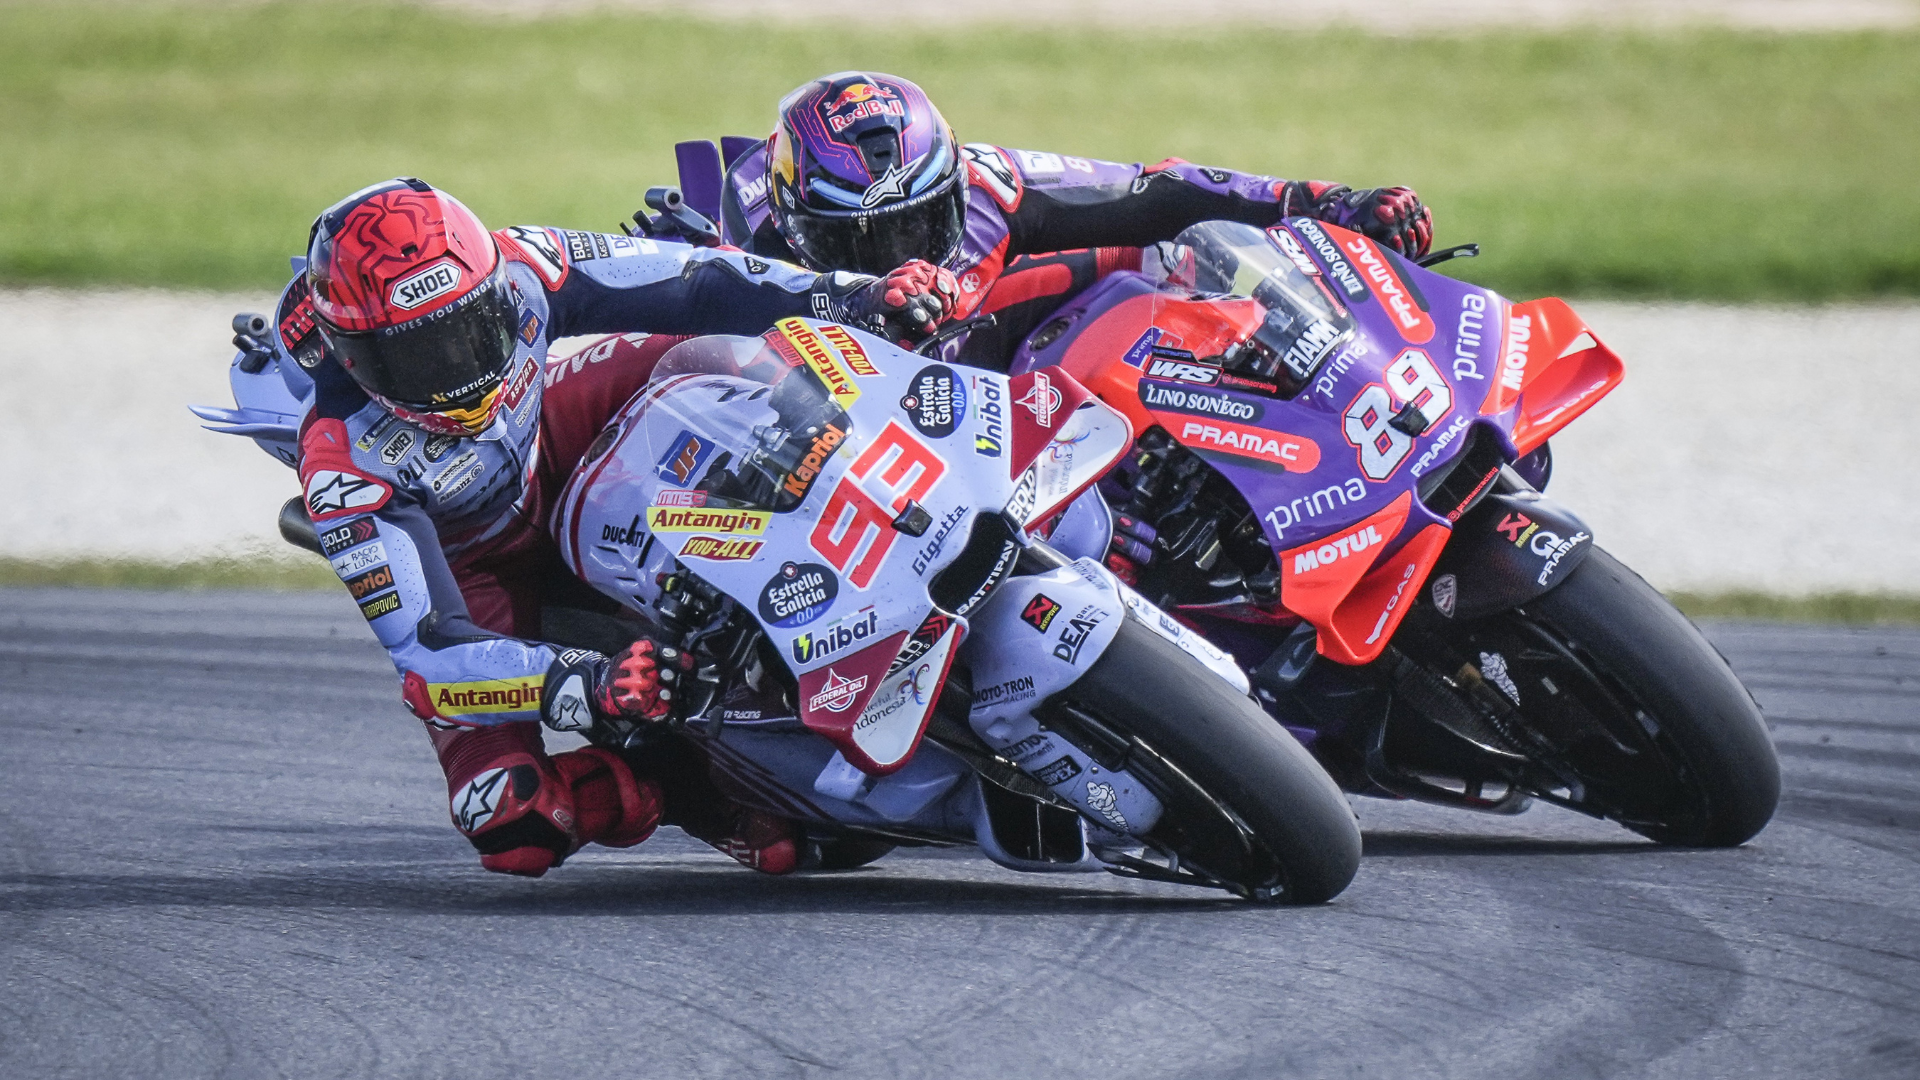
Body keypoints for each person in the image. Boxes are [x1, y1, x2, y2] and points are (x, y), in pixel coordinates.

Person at [272, 177, 956, 878]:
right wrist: (590, 682)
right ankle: (695, 784)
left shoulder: (527, 263)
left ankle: (914, 490)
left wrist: (853, 297)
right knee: (509, 820)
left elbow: (696, 279)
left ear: (495, 289)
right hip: (475, 570)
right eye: (420, 355)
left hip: (564, 428)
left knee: (733, 356)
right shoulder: (343, 466)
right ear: (352, 356)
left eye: (474, 329)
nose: (461, 371)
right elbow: (429, 658)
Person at [718, 70, 1433, 367]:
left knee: (1159, 264)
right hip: (880, 458)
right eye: (860, 239)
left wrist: (1326, 202)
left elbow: (1164, 191)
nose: (902, 253)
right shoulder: (757, 258)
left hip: (1009, 368)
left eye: (922, 222)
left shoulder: (988, 185)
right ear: (798, 221)